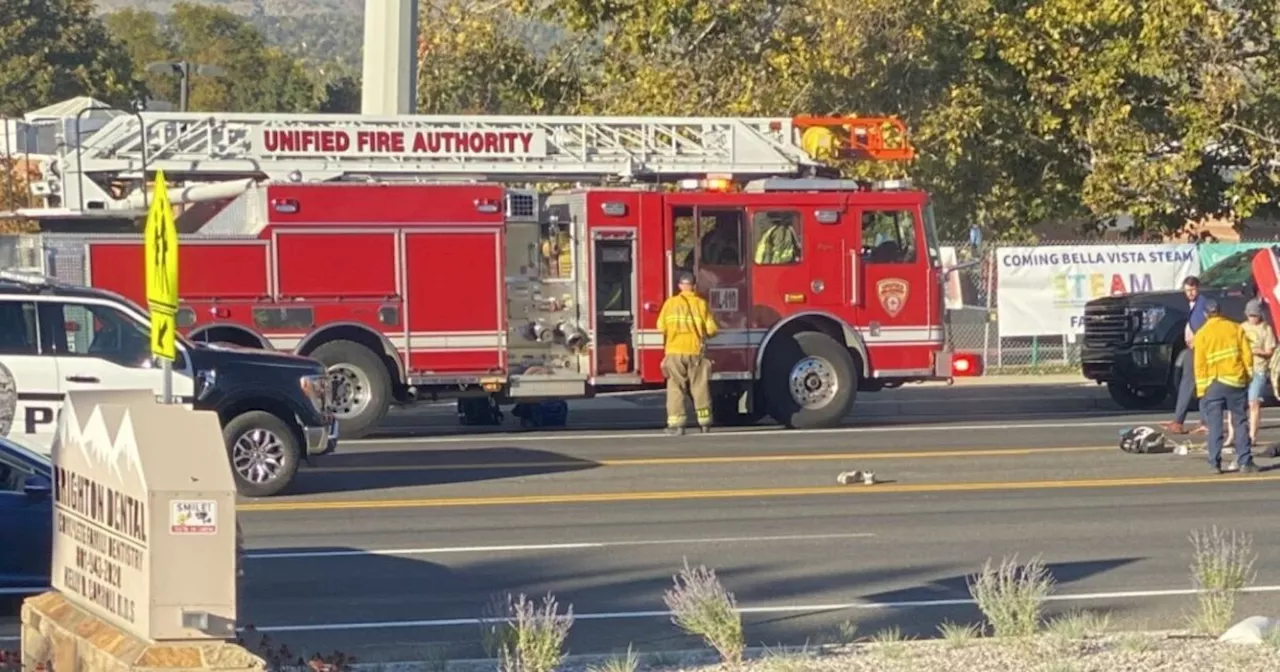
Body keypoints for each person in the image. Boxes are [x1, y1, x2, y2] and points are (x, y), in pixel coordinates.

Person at [1192, 299, 1257, 473]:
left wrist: (1201, 389)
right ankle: (1245, 461)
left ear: (1206, 314)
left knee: (1215, 425)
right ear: (1220, 312)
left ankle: (1215, 463)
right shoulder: (1235, 328)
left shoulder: (1202, 334)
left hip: (1213, 384)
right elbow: (1247, 355)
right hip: (1236, 382)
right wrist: (1249, 376)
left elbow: (1199, 365)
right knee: (1240, 422)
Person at [657, 271, 719, 435]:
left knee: (676, 387)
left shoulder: (670, 304)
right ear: (694, 286)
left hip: (675, 352)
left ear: (679, 286)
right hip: (695, 352)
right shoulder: (701, 304)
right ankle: (705, 424)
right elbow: (712, 330)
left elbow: (660, 327)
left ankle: (677, 425)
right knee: (700, 387)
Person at [1165, 276, 1208, 434]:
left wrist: (1197, 338)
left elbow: (1205, 326)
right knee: (1191, 382)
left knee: (1197, 383)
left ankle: (1200, 422)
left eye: (1192, 289)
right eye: (1187, 290)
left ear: (1198, 288)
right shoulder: (1194, 305)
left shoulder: (1203, 304)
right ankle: (1180, 420)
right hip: (1193, 348)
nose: (1189, 293)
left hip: (1200, 349)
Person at [1241, 299, 1276, 446]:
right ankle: (1234, 435)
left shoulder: (1266, 329)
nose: (1252, 318)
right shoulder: (1241, 328)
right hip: (1242, 370)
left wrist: (1256, 351)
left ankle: (1252, 436)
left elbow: (1269, 351)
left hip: (1259, 370)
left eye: (1255, 315)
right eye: (1250, 315)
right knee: (1237, 405)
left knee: (1253, 403)